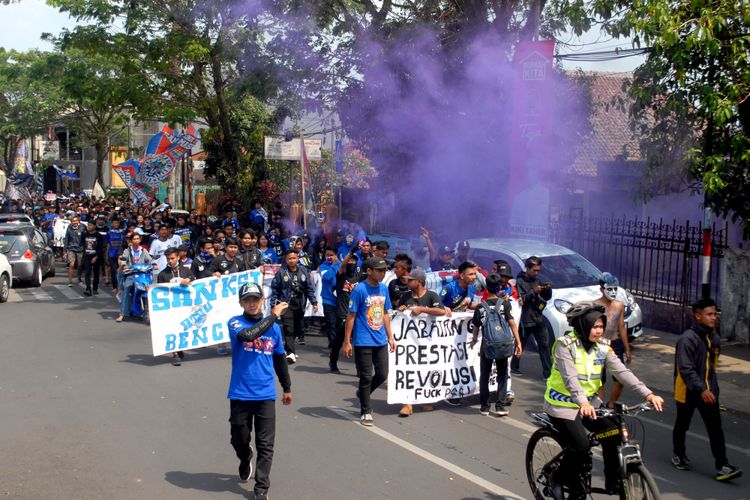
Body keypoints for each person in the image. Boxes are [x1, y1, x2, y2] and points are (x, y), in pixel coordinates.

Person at [544, 301, 664, 498]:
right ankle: (557, 477)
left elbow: (622, 372)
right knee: (581, 447)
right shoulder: (564, 346)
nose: (599, 331)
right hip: (562, 404)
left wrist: (648, 394)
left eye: (601, 326)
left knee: (613, 433)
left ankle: (614, 482)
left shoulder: (603, 348)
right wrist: (582, 402)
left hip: (590, 404)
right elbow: (570, 379)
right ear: (582, 326)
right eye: (595, 327)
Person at [227, 283, 291, 500]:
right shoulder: (235, 322)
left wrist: (287, 387)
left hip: (265, 395)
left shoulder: (274, 329)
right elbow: (248, 336)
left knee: (266, 444)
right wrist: (273, 316)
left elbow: (280, 359)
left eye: (256, 299)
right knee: (239, 438)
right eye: (247, 300)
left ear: (262, 300)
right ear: (241, 303)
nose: (252, 304)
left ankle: (261, 488)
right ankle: (245, 457)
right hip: (240, 394)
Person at [671, 298, 742, 481]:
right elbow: (686, 369)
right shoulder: (687, 339)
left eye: (715, 314)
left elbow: (711, 368)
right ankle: (678, 455)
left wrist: (711, 389)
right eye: (709, 314)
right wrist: (701, 389)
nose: (714, 318)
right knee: (682, 424)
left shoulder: (713, 337)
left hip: (708, 392)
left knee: (715, 429)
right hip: (688, 391)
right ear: (698, 316)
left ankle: (722, 466)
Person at [342, 257, 396, 427]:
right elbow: (351, 315)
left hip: (380, 340)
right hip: (363, 340)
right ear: (369, 271)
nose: (382, 273)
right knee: (365, 376)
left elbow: (386, 313)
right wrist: (347, 341)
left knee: (382, 374)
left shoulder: (384, 289)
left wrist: (390, 336)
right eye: (379, 270)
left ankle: (363, 393)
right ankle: (366, 410)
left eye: (384, 270)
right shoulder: (359, 290)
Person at [469, 274, 522, 417]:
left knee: (485, 375)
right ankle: (500, 406)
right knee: (503, 375)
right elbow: (512, 323)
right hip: (503, 344)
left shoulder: (480, 307)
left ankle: (485, 407)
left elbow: (476, 326)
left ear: (487, 287)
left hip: (487, 345)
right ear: (499, 287)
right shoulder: (505, 304)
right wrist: (518, 342)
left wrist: (474, 339)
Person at [396, 268, 447, 417]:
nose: (407, 281)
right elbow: (398, 313)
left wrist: (422, 309)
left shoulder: (431, 296)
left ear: (419, 282)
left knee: (426, 370)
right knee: (408, 371)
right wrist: (401, 309)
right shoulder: (406, 296)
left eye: (411, 280)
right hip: (410, 343)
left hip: (428, 343)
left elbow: (441, 311)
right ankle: (407, 403)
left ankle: (426, 399)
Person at [268, 249, 318, 362]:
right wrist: (273, 305)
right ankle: (291, 353)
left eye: (294, 258)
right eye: (289, 258)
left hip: (300, 304)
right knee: (288, 328)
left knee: (296, 327)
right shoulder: (281, 272)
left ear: (298, 259)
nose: (292, 260)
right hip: (286, 304)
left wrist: (314, 303)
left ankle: (288, 349)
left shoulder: (304, 271)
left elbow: (309, 289)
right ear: (286, 260)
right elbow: (275, 290)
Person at [594, 272, 632, 407]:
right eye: (609, 289)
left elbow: (621, 327)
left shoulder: (619, 305)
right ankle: (599, 406)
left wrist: (627, 349)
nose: (613, 292)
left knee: (620, 378)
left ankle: (611, 404)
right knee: (599, 380)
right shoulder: (595, 305)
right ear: (602, 289)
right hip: (599, 345)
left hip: (615, 344)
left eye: (615, 289)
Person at [512, 256, 553, 379]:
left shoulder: (538, 280)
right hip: (525, 320)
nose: (536, 273)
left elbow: (546, 298)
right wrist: (534, 291)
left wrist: (547, 290)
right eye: (534, 270)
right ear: (527, 268)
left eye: (538, 270)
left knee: (544, 345)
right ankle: (514, 366)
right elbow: (521, 300)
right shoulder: (519, 281)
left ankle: (548, 373)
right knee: (520, 345)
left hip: (538, 318)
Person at [157, 248, 194, 366]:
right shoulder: (163, 274)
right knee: (172, 328)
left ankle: (179, 348)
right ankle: (175, 354)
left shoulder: (186, 271)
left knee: (182, 328)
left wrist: (189, 279)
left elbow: (195, 280)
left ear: (178, 257)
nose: (170, 261)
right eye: (168, 259)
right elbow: (158, 291)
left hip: (185, 306)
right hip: (170, 307)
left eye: (172, 258)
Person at [329, 247, 363, 373]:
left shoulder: (360, 278)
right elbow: (342, 266)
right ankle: (333, 362)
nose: (351, 264)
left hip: (356, 316)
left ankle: (360, 369)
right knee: (337, 342)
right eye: (349, 262)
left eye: (353, 262)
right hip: (342, 314)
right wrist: (351, 253)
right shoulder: (341, 276)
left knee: (358, 343)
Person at [115, 233, 154, 323]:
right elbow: (123, 260)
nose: (136, 240)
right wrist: (124, 266)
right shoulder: (127, 250)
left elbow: (150, 260)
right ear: (131, 240)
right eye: (134, 239)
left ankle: (149, 313)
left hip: (142, 275)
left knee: (147, 290)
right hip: (131, 275)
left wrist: (154, 264)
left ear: (140, 240)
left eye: (138, 239)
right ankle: (122, 314)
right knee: (127, 288)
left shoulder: (143, 250)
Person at [318, 247, 340, 351]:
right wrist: (335, 265)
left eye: (331, 255)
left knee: (338, 324)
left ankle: (338, 343)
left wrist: (338, 264)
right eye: (327, 255)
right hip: (328, 299)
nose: (329, 257)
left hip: (340, 300)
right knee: (331, 323)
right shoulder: (323, 266)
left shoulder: (342, 265)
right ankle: (332, 346)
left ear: (336, 255)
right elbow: (327, 277)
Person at [82, 220, 105, 296]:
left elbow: (100, 248)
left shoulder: (98, 235)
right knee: (87, 272)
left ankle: (95, 288)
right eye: (88, 225)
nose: (89, 227)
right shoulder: (85, 234)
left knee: (96, 273)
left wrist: (96, 257)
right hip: (87, 256)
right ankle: (88, 288)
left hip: (96, 256)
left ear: (94, 226)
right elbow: (83, 244)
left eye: (91, 225)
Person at [63, 215, 86, 286]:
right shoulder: (69, 228)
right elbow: (66, 239)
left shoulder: (82, 228)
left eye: (76, 221)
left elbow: (85, 238)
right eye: (73, 221)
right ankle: (70, 281)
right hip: (71, 249)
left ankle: (79, 278)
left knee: (79, 265)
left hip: (80, 249)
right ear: (71, 222)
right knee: (71, 264)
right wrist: (65, 252)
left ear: (78, 221)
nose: (75, 222)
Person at [105, 218, 126, 295]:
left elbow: (124, 244)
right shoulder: (109, 233)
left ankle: (121, 285)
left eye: (117, 223)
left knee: (120, 270)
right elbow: (108, 244)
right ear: (112, 224)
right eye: (114, 223)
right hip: (111, 254)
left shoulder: (122, 233)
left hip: (120, 254)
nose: (116, 225)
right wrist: (107, 254)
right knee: (113, 271)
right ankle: (115, 286)